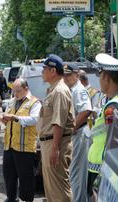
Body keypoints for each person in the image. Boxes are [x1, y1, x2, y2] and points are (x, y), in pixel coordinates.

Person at [87, 54, 118, 200]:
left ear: (107, 78)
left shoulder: (113, 108)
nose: (99, 80)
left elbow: (112, 146)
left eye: (100, 75)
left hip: (104, 172)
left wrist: (101, 180)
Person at [36, 54, 75, 202]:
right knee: (52, 191)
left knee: (59, 190)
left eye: (44, 69)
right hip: (50, 142)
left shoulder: (59, 91)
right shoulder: (53, 89)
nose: (42, 72)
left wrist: (55, 148)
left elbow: (59, 122)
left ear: (53, 71)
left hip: (56, 143)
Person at [1, 78, 41, 202]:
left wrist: (15, 118)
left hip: (25, 147)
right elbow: (7, 116)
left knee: (26, 178)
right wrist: (4, 119)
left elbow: (35, 119)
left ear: (26, 89)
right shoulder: (12, 101)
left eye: (18, 91)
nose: (15, 94)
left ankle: (26, 199)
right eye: (14, 91)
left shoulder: (34, 102)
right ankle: (11, 197)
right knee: (9, 175)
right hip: (10, 145)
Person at [63, 63, 92, 202]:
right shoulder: (71, 89)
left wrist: (71, 128)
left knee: (77, 174)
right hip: (74, 134)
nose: (66, 77)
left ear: (76, 75)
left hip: (79, 133)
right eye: (64, 75)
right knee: (72, 173)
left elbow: (86, 110)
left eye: (69, 74)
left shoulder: (78, 90)